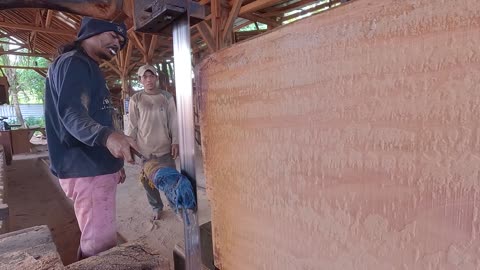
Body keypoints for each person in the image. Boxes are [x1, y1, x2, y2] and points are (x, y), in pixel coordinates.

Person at [45, 17, 138, 259]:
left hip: (96, 166)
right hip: (87, 167)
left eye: (121, 41)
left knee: (97, 238)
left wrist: (112, 162)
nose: (118, 43)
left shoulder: (87, 66)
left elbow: (95, 116)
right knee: (100, 247)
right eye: (113, 36)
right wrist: (108, 138)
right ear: (92, 31)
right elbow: (72, 114)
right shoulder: (74, 63)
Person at [127, 64, 179, 220]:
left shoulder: (166, 97)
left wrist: (175, 141)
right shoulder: (136, 99)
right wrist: (130, 146)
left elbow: (174, 121)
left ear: (156, 78)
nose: (148, 79)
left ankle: (176, 206)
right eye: (145, 77)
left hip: (164, 148)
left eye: (151, 76)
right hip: (145, 150)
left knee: (171, 180)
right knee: (148, 182)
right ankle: (157, 207)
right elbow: (132, 125)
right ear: (140, 80)